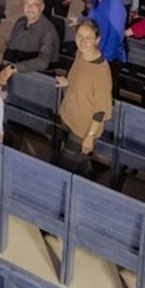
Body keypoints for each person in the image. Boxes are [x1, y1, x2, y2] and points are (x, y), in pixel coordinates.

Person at [55, 20, 113, 179]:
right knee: (76, 165)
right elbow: (80, 79)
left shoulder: (101, 72)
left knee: (64, 169)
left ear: (97, 40)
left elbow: (101, 110)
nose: (83, 41)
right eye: (80, 36)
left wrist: (89, 136)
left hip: (83, 129)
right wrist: (68, 81)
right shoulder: (81, 54)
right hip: (69, 117)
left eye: (89, 37)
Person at [78, 0, 127, 93]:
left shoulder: (115, 4)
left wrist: (102, 60)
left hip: (109, 57)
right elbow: (94, 16)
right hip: (96, 50)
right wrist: (80, 20)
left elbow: (115, 37)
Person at [0, 0, 60, 87]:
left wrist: (13, 68)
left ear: (42, 7)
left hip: (38, 80)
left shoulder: (48, 31)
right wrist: (1, 72)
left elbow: (43, 62)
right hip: (16, 74)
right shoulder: (20, 22)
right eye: (27, 4)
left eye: (34, 5)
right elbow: (10, 49)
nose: (29, 8)